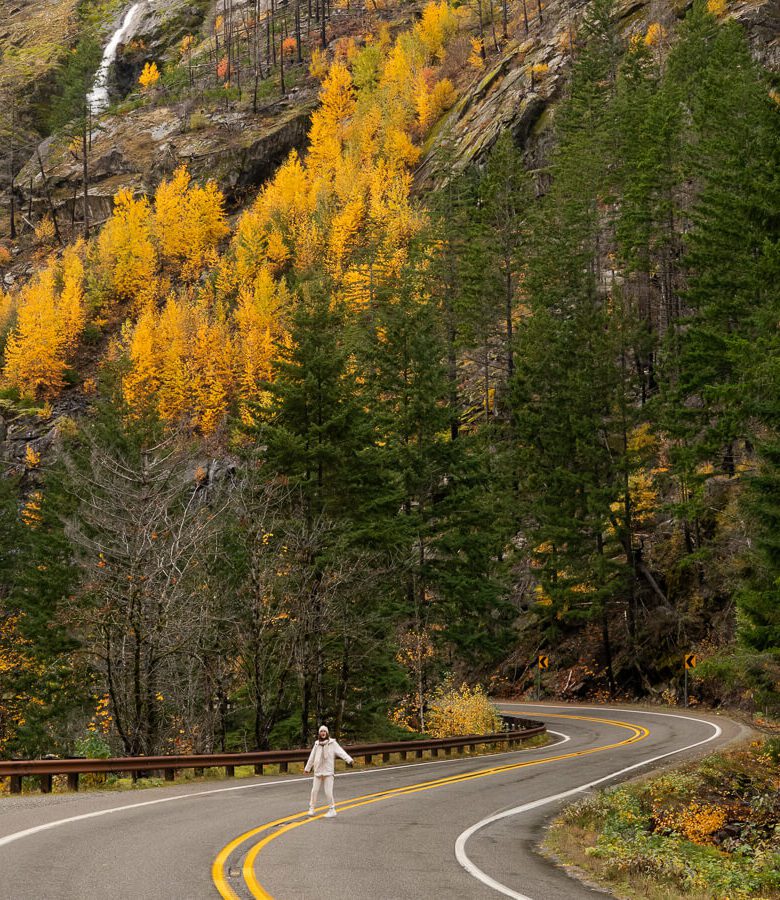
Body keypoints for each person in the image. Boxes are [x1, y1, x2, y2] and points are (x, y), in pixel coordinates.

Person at [304, 725, 353, 817]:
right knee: (314, 791)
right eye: (321, 731)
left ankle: (332, 810)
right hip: (318, 771)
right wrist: (307, 768)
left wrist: (349, 759)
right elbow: (312, 757)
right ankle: (312, 808)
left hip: (328, 771)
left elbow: (341, 752)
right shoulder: (317, 744)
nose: (323, 733)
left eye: (324, 731)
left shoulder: (332, 743)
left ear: (327, 733)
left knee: (328, 792)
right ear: (319, 733)